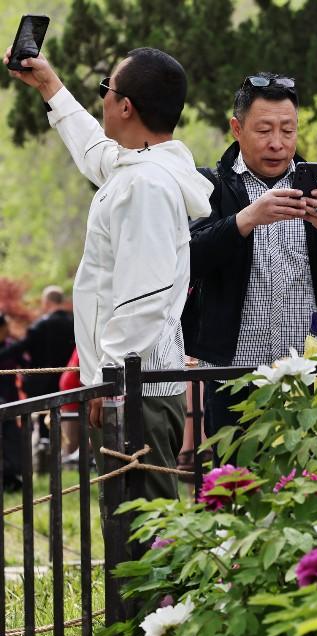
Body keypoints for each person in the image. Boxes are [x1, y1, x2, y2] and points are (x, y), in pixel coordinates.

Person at [4, 46, 213, 500]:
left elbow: (146, 295)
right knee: (130, 526)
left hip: (135, 391)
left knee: (142, 537)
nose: (101, 100)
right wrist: (49, 87)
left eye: (106, 90)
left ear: (124, 106)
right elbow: (94, 152)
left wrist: (108, 378)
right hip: (133, 386)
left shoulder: (145, 186)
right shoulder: (142, 168)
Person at [183, 73, 317, 437]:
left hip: (311, 369)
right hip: (233, 372)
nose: (277, 143)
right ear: (237, 128)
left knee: (311, 482)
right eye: (264, 130)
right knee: (236, 482)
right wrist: (245, 220)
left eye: (288, 131)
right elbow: (188, 259)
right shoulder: (210, 185)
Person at [0, 285, 75, 447]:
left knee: (44, 419)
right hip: (69, 378)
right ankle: (66, 450)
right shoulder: (74, 322)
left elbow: (22, 346)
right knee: (68, 416)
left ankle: (46, 448)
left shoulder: (42, 324)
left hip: (43, 380)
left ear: (46, 302)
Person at [0, 313, 25, 491]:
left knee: (11, 438)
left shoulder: (11, 345)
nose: (8, 330)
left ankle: (11, 475)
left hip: (9, 397)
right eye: (5, 327)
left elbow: (25, 363)